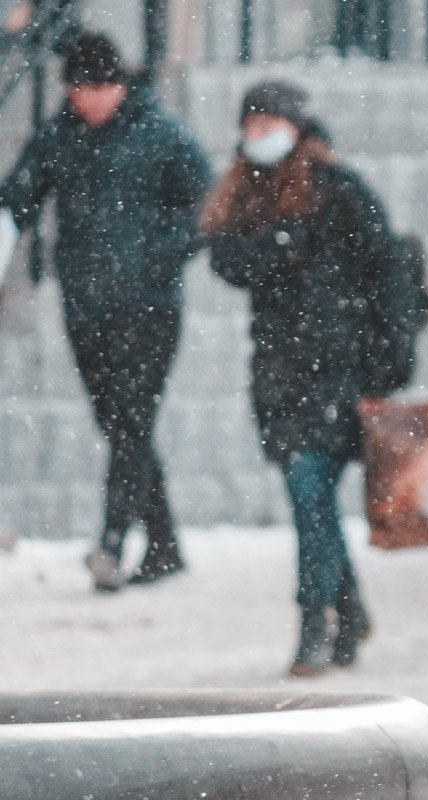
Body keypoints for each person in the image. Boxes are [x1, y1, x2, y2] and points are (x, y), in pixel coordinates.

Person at [202, 81, 419, 677]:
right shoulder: (243, 193)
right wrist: (277, 244)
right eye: (251, 125)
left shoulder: (339, 189)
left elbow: (390, 272)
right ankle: (347, 612)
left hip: (341, 373)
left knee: (309, 494)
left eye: (270, 123)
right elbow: (224, 258)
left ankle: (315, 620)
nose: (259, 135)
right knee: (311, 497)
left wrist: (392, 359)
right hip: (279, 375)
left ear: (297, 128)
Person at [0, 31, 211, 591]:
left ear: (118, 85)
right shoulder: (59, 137)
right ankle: (164, 544)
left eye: (95, 89)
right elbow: (18, 197)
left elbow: (205, 209)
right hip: (85, 308)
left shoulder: (162, 135)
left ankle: (111, 544)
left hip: (150, 308)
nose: (86, 101)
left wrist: (156, 258)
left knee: (132, 421)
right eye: (76, 90)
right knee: (117, 425)